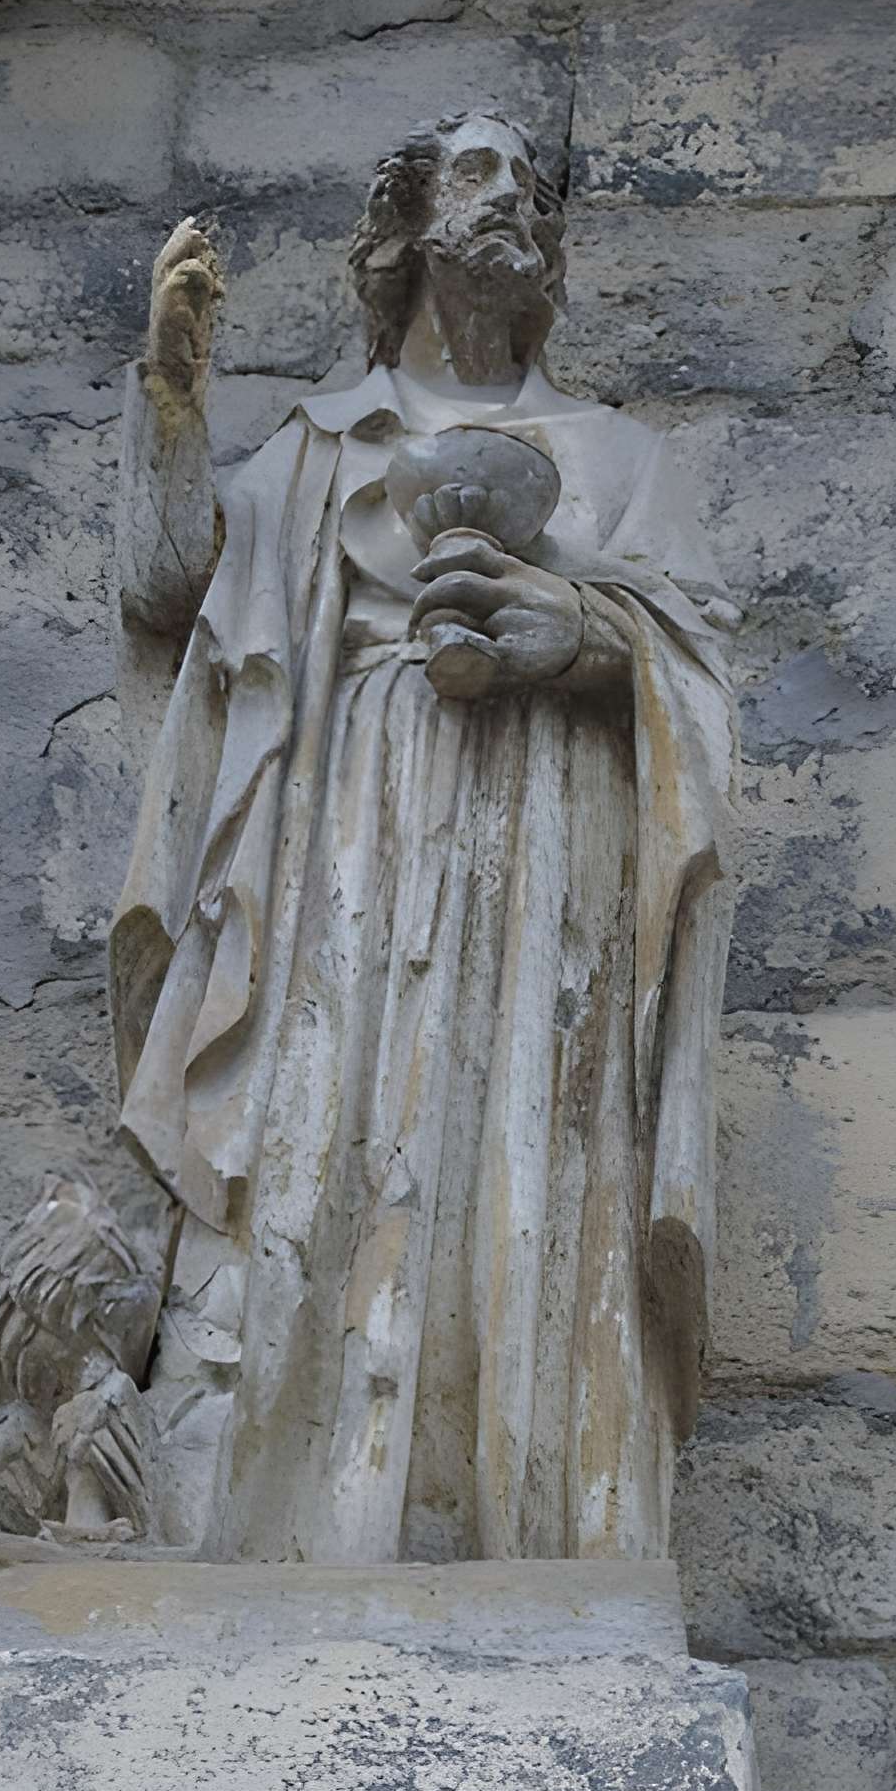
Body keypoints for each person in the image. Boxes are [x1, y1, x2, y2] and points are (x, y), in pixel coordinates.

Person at [107, 111, 738, 1566]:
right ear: (408, 231)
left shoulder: (619, 463)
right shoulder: (327, 449)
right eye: (474, 174)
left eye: (527, 181)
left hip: (552, 855)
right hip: (348, 837)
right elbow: (174, 584)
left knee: (535, 1168)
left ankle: (546, 1532)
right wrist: (176, 406)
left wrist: (582, 630)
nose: (509, 197)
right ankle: (287, 1532)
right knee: (329, 1149)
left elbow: (700, 690)